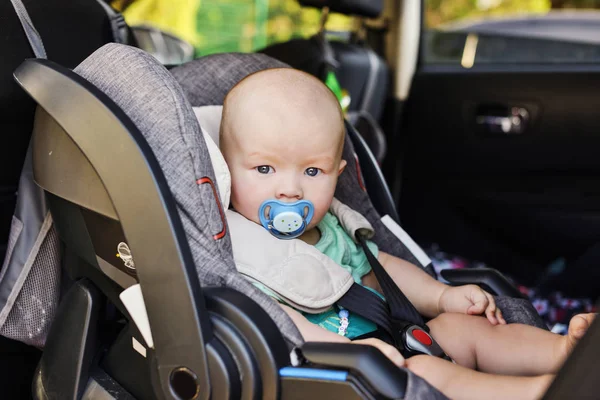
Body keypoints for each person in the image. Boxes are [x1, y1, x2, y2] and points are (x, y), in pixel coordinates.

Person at [219, 67, 595, 400]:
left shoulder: (331, 227)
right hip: (340, 370)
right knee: (425, 372)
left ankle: (567, 355)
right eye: (265, 169)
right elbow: (281, 321)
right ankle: (541, 393)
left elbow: (381, 270)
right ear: (226, 169)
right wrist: (350, 351)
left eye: (312, 172)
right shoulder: (238, 251)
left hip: (392, 337)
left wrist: (442, 295)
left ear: (338, 172)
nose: (290, 190)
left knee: (459, 327)